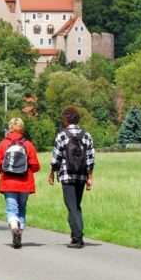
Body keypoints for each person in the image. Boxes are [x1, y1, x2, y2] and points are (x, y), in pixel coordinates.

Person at [48, 106, 95, 249]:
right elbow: (90, 159)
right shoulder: (87, 136)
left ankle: (77, 239)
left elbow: (56, 158)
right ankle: (78, 235)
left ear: (66, 119)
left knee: (71, 207)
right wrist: (90, 177)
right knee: (77, 206)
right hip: (81, 176)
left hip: (67, 176)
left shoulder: (62, 135)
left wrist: (51, 173)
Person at [0, 117, 40, 249]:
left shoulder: (3, 144)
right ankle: (20, 232)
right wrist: (26, 171)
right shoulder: (28, 144)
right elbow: (35, 165)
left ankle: (14, 229)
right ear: (22, 128)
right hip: (25, 183)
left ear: (10, 128)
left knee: (11, 209)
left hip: (8, 182)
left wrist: (4, 171)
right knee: (22, 208)